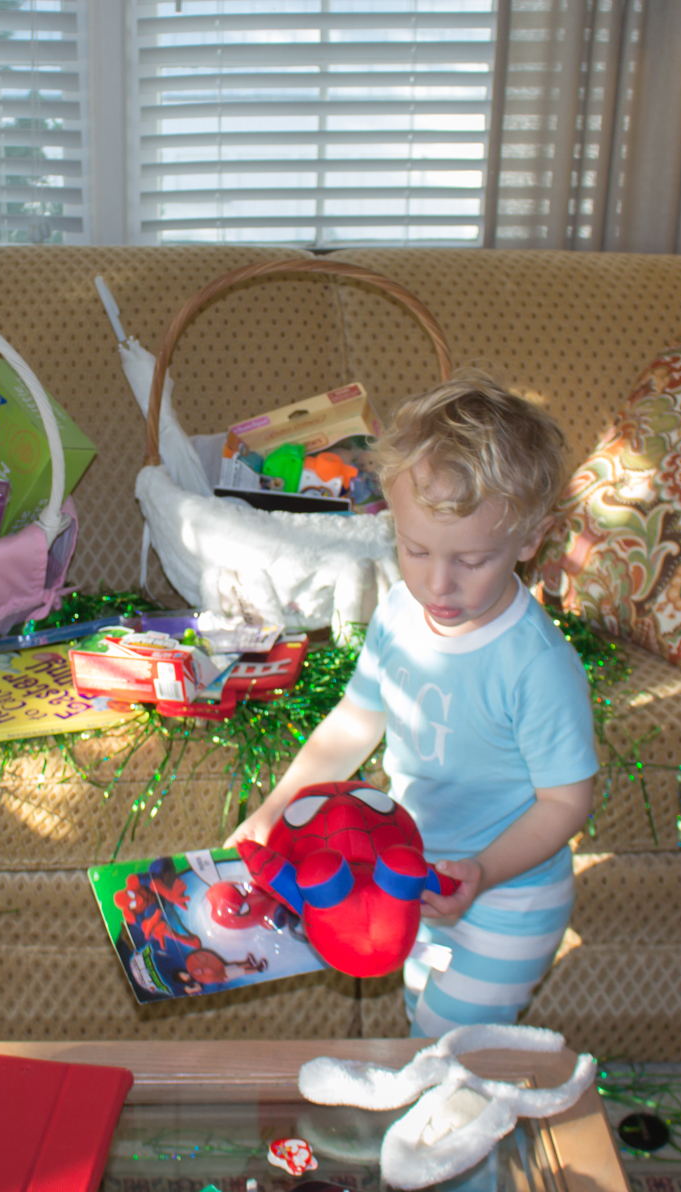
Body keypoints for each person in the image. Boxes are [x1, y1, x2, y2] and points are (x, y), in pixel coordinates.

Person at [225, 372, 597, 1037]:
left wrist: (483, 872)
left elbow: (566, 801)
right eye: (416, 550)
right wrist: (274, 808)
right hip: (410, 875)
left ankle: (467, 1099)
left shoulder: (535, 665)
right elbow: (354, 723)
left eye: (472, 560)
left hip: (509, 897)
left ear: (530, 539)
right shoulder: (399, 613)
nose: (437, 582)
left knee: (451, 1038)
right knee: (422, 1020)